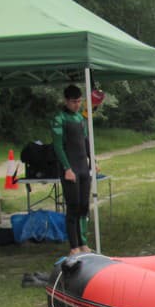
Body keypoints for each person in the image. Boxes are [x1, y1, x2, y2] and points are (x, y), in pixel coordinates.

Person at [51, 84, 92, 256]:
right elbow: (58, 146)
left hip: (83, 166)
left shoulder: (81, 119)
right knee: (73, 207)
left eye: (79, 101)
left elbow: (85, 141)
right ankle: (74, 246)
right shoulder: (59, 119)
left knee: (84, 206)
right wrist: (67, 168)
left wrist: (93, 159)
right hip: (71, 168)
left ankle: (84, 243)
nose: (77, 105)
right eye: (74, 102)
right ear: (66, 101)